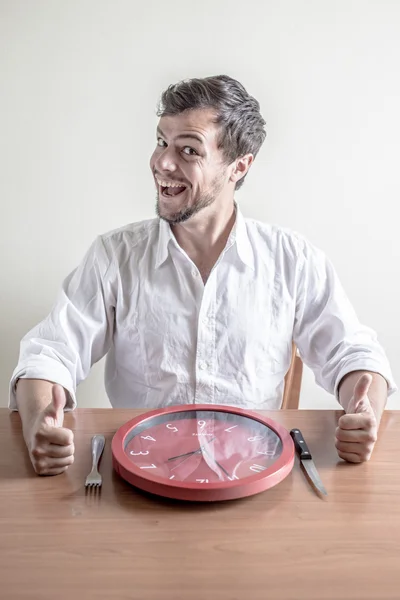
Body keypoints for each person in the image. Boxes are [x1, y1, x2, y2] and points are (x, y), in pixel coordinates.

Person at [10, 75, 396, 476]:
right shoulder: (115, 256)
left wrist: (363, 410)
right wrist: (38, 420)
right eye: (161, 142)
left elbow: (354, 354)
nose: (162, 162)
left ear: (238, 166)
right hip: (139, 477)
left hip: (254, 478)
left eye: (188, 149)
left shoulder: (291, 259)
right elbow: (49, 353)